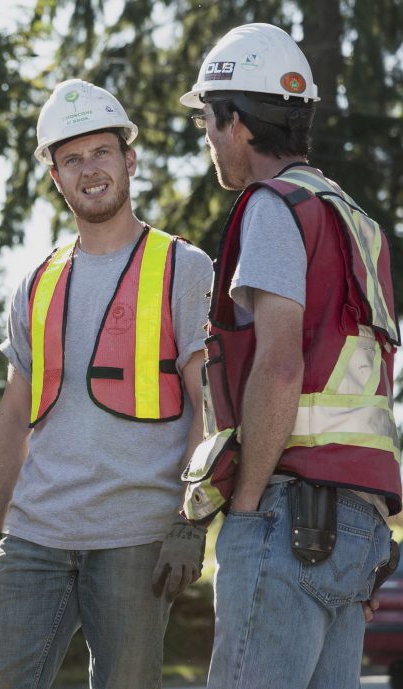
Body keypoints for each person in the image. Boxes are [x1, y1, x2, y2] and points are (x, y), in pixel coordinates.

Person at [0, 80, 213, 689]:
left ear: (130, 160)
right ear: (56, 177)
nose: (89, 170)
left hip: (137, 538)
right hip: (34, 534)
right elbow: (13, 416)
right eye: (72, 159)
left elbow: (211, 406)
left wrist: (189, 522)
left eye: (100, 152)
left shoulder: (183, 267)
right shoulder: (35, 282)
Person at [180, 23, 401, 688]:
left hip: (285, 515)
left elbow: (280, 365)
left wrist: (244, 506)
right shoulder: (358, 225)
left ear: (239, 124)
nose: (210, 140)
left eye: (210, 124)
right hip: (357, 523)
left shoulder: (276, 208)